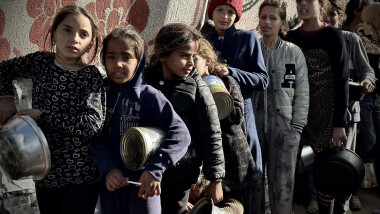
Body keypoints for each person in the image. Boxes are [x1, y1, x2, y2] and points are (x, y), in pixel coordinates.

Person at [0, 5, 105, 214]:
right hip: (44, 171)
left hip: (80, 176)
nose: (74, 38)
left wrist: (42, 117)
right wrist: (5, 97)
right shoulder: (40, 62)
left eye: (83, 35)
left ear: (90, 44)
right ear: (54, 33)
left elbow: (93, 124)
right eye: (67, 30)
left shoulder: (91, 76)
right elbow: (3, 70)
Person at [91, 26, 191, 214]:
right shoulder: (100, 96)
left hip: (143, 187)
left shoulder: (149, 96)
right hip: (112, 185)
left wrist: (155, 170)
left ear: (139, 61)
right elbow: (96, 136)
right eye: (111, 56)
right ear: (103, 60)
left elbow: (180, 134)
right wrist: (107, 169)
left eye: (126, 57)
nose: (118, 64)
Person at [144, 23, 225, 214]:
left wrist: (216, 179)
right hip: (146, 171)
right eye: (184, 55)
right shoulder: (146, 79)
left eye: (193, 57)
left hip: (179, 176)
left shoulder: (198, 88)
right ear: (163, 55)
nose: (191, 62)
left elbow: (212, 132)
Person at [285, 0, 349, 212]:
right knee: (296, 168)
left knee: (326, 172)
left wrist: (339, 124)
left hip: (326, 117)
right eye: (299, 1)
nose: (302, 4)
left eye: (308, 0)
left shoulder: (334, 37)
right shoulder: (291, 38)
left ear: (321, 4)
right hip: (298, 114)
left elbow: (342, 82)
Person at [189, 37, 263, 214]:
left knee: (235, 204)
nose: (190, 64)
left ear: (207, 60)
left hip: (232, 158)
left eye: (195, 59)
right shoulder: (189, 86)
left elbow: (236, 113)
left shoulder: (225, 81)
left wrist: (215, 99)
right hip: (208, 159)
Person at [204, 0, 269, 178]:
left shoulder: (247, 38)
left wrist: (232, 72)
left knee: (247, 169)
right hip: (210, 113)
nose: (225, 16)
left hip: (242, 115)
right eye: (220, 10)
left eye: (230, 12)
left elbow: (262, 80)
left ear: (237, 15)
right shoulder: (204, 41)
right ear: (211, 12)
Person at [256, 0, 309, 213]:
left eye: (273, 18)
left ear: (282, 23)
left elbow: (302, 91)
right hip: (255, 127)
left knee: (283, 184)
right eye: (263, 17)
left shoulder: (293, 52)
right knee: (255, 180)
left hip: (285, 127)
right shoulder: (252, 48)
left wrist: (296, 128)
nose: (267, 22)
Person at [324, 0, 377, 212]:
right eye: (324, 15)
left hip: (347, 115)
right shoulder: (313, 39)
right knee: (321, 168)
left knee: (344, 165)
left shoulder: (351, 39)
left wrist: (367, 82)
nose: (328, 20)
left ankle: (345, 202)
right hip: (319, 116)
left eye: (332, 16)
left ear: (341, 17)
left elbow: (367, 71)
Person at [354, 3, 380, 214]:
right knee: (367, 140)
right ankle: (351, 183)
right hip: (366, 97)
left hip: (379, 97)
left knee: (377, 143)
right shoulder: (361, 37)